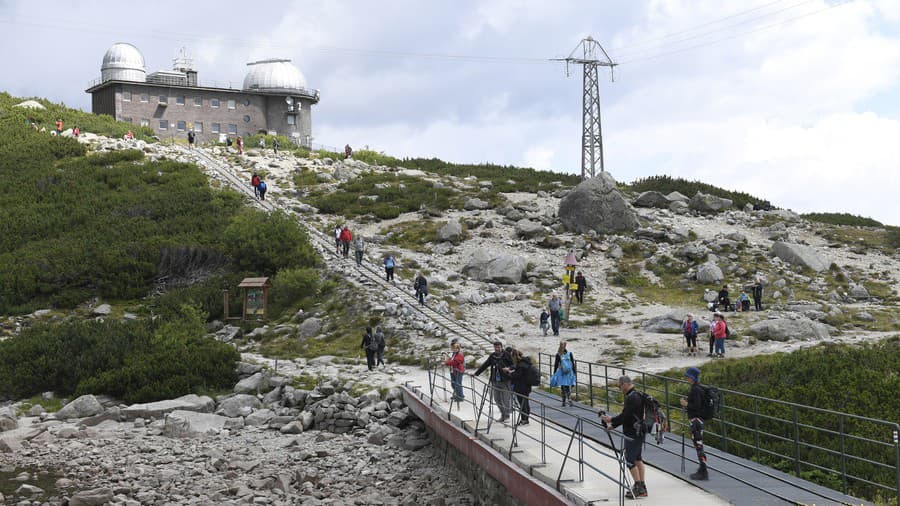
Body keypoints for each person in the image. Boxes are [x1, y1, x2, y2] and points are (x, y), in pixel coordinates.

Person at [600, 376, 648, 499]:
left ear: (625, 384)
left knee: (629, 460)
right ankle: (642, 487)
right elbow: (628, 415)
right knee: (638, 458)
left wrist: (612, 421)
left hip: (632, 433)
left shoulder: (632, 397)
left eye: (620, 386)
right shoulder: (638, 395)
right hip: (639, 431)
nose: (620, 388)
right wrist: (614, 424)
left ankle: (638, 487)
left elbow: (626, 416)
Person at [471, 341, 514, 423]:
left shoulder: (506, 355)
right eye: (495, 347)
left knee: (506, 399)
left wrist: (508, 369)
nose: (497, 349)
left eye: (498, 347)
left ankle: (507, 416)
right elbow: (485, 365)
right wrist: (476, 374)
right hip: (494, 380)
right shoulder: (492, 356)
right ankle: (503, 415)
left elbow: (513, 365)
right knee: (497, 399)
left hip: (505, 380)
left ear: (501, 347)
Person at [680, 367, 710, 481]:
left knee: (698, 445)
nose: (686, 378)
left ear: (692, 377)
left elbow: (696, 407)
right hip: (698, 420)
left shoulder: (696, 389)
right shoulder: (698, 388)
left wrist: (686, 404)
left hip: (696, 421)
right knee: (698, 444)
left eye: (688, 376)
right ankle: (702, 469)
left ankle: (703, 471)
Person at [504, 351, 535, 426]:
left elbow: (517, 375)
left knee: (522, 403)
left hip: (521, 387)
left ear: (514, 357)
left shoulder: (521, 365)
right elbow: (517, 370)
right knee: (526, 403)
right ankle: (526, 419)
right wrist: (511, 369)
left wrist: (508, 373)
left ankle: (524, 420)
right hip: (527, 386)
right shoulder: (525, 362)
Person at [550, 342, 576, 406]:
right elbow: (572, 363)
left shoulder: (558, 354)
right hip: (569, 372)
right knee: (568, 385)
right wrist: (574, 372)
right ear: (565, 346)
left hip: (562, 372)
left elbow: (556, 365)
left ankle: (564, 401)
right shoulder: (570, 354)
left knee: (563, 386)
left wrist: (554, 373)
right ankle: (569, 399)